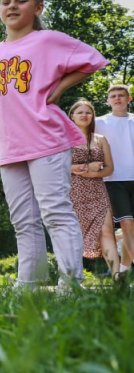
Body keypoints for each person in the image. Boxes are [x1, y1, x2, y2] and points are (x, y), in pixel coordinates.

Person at [0, 0, 107, 289]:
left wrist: (60, 86)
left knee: (55, 212)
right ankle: (29, 285)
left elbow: (93, 59)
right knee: (23, 221)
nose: (11, 6)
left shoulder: (48, 41)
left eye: (21, 1)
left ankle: (71, 283)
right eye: (6, 2)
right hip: (8, 145)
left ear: (37, 8)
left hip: (46, 138)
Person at [69, 99, 121, 278]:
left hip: (98, 190)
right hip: (73, 192)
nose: (84, 115)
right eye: (80, 112)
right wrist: (79, 168)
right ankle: (72, 278)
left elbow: (109, 168)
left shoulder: (100, 140)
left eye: (88, 112)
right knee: (73, 234)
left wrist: (92, 173)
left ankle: (116, 276)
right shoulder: (63, 139)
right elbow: (56, 167)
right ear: (72, 116)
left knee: (106, 231)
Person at [95, 85, 134, 278]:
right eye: (113, 96)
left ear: (129, 98)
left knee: (132, 229)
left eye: (121, 95)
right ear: (108, 101)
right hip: (114, 180)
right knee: (126, 225)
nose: (117, 98)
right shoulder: (98, 122)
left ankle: (125, 271)